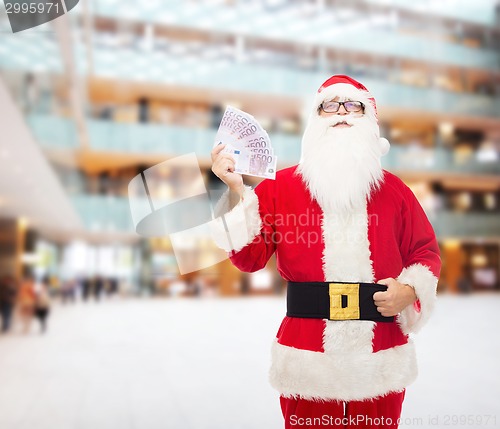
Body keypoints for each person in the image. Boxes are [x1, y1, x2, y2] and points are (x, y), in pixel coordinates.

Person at [210, 75, 441, 428]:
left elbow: (425, 252)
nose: (341, 114)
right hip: (307, 358)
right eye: (328, 106)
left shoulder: (396, 192)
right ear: (313, 123)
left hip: (380, 356)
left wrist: (409, 291)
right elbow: (248, 258)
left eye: (353, 105)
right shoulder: (279, 188)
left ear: (370, 121)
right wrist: (234, 193)